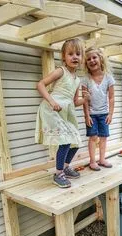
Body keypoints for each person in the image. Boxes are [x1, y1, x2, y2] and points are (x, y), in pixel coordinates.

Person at [35, 38, 89, 188]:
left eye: (78, 54)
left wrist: (85, 99)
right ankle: (58, 174)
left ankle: (65, 166)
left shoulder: (77, 80)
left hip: (65, 111)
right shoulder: (61, 71)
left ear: (82, 57)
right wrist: (52, 101)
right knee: (65, 141)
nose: (75, 57)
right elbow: (40, 85)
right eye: (70, 54)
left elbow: (74, 102)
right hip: (51, 109)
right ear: (64, 57)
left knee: (76, 141)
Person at [81, 47, 115, 171]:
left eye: (94, 57)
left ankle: (102, 159)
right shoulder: (85, 79)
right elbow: (84, 100)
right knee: (93, 137)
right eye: (88, 59)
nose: (92, 60)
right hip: (92, 114)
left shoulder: (108, 78)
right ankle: (92, 161)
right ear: (86, 63)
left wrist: (110, 114)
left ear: (100, 59)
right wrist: (87, 116)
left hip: (104, 113)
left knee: (103, 137)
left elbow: (111, 98)